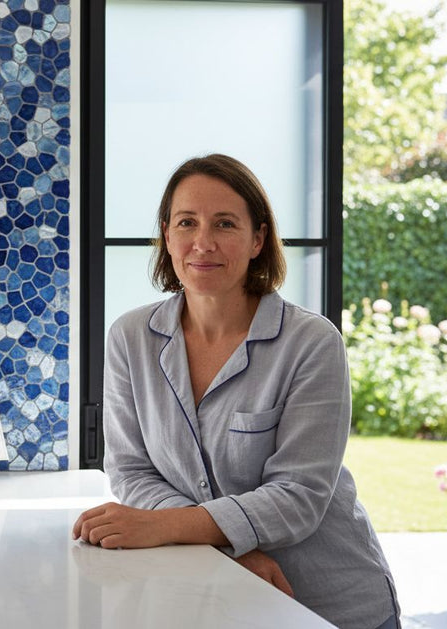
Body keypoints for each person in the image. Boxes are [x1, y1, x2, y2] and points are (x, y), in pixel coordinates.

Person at [72, 154, 399, 629]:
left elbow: (299, 494)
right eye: (187, 222)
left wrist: (167, 527)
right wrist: (224, 548)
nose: (203, 243)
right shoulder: (129, 336)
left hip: (327, 602)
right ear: (167, 235)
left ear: (258, 239)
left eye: (225, 223)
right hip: (205, 594)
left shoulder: (312, 342)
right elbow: (131, 470)